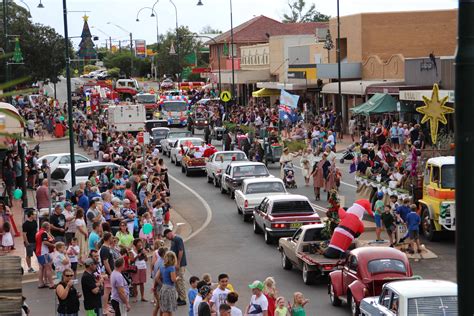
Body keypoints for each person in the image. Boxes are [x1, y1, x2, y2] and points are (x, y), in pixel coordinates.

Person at [164, 229, 187, 306]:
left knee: (180, 281)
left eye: (167, 236)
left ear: (169, 233)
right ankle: (180, 296)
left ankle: (183, 298)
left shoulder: (178, 239)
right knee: (176, 282)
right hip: (175, 264)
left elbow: (181, 251)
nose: (168, 238)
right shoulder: (173, 240)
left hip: (179, 264)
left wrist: (178, 263)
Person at [156, 251, 178, 316]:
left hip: (163, 288)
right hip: (170, 290)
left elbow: (156, 277)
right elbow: (173, 280)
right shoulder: (171, 268)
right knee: (167, 310)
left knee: (167, 309)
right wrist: (177, 278)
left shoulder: (162, 266)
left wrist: (162, 284)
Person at [35, 221, 55, 289]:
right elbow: (45, 242)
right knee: (48, 268)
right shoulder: (44, 233)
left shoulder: (38, 232)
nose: (50, 227)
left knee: (41, 268)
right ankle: (52, 284)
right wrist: (53, 245)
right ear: (47, 227)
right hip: (44, 252)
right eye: (49, 226)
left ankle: (41, 283)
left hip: (38, 252)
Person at [99, 232, 115, 314]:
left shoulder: (107, 248)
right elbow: (105, 262)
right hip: (107, 273)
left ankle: (106, 306)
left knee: (108, 290)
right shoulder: (104, 249)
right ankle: (105, 308)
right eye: (112, 237)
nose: (113, 239)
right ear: (108, 238)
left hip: (109, 272)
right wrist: (110, 273)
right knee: (107, 291)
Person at [130, 238, 148, 302]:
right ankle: (135, 297)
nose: (140, 243)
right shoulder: (132, 251)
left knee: (142, 282)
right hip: (136, 268)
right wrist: (138, 255)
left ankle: (142, 297)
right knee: (135, 283)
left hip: (143, 267)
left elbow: (146, 260)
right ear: (135, 244)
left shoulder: (142, 250)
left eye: (141, 242)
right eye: (139, 242)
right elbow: (131, 260)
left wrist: (145, 254)